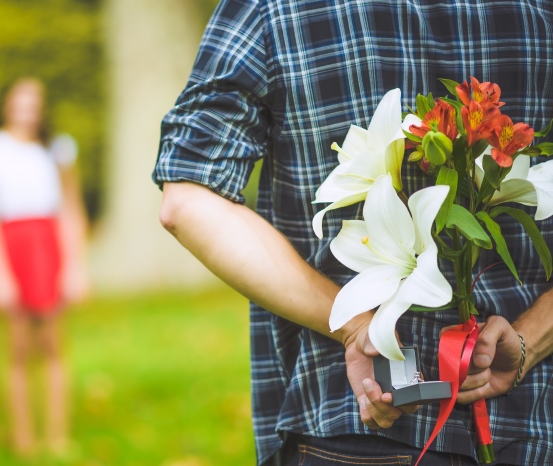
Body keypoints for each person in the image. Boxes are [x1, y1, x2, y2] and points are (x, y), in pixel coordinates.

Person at [153, 1, 553, 465]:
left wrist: (355, 328)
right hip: (534, 425)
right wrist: (527, 338)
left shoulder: (277, 9)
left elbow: (187, 200)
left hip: (351, 422)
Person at [0, 78, 89, 456]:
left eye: (34, 102)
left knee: (54, 346)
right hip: (11, 249)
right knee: (18, 349)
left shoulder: (59, 150)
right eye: (19, 101)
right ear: (5, 104)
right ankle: (23, 440)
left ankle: (57, 437)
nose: (27, 109)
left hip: (48, 247)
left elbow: (71, 211)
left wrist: (74, 266)